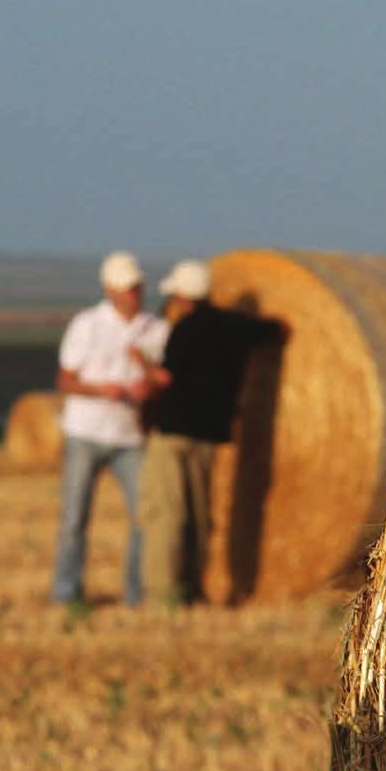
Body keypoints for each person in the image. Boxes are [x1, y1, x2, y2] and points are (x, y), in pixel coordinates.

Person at [133, 259, 287, 604]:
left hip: (173, 433)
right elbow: (278, 329)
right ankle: (195, 588)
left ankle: (162, 593)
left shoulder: (185, 328)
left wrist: (139, 362)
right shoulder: (237, 327)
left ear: (182, 297)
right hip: (210, 434)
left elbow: (165, 378)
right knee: (202, 516)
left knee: (166, 514)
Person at [51, 251, 168, 606]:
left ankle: (135, 596)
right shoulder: (86, 325)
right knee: (74, 518)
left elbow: (164, 380)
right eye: (126, 288)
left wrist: (145, 386)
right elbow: (65, 381)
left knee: (144, 518)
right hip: (85, 432)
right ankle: (66, 594)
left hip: (130, 437)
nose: (133, 294)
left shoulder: (157, 328)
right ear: (110, 290)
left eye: (137, 287)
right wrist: (103, 390)